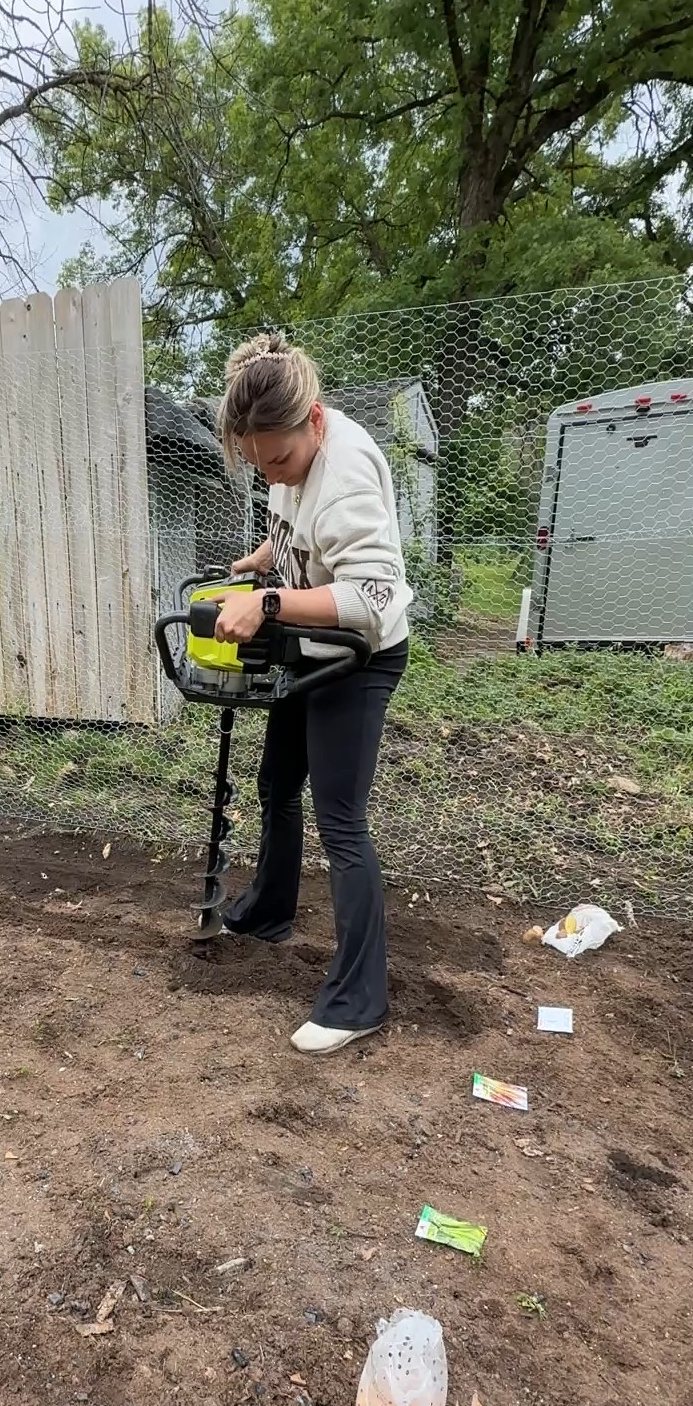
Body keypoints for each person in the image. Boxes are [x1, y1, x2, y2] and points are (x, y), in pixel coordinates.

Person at [211, 332, 412, 1056]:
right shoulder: (288, 453)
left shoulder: (350, 468)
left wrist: (268, 605)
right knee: (276, 783)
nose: (272, 472)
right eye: (259, 465)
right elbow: (300, 519)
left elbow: (373, 593)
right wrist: (264, 557)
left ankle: (360, 999)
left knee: (343, 824)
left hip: (359, 656)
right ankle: (269, 911)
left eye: (280, 460)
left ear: (316, 422)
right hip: (312, 642)